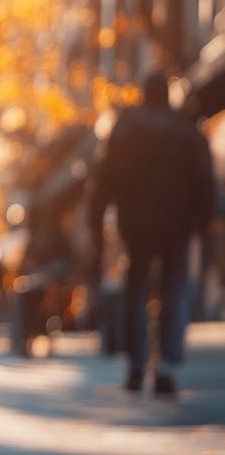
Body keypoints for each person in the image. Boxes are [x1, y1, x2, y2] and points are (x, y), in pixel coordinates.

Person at [89, 71, 215, 396]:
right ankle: (167, 364)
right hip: (178, 222)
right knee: (174, 288)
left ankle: (135, 364)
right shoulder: (185, 128)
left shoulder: (127, 125)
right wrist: (205, 219)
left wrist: (97, 214)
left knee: (137, 287)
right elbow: (204, 177)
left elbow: (106, 173)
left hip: (137, 222)